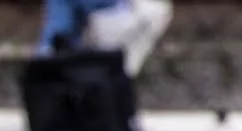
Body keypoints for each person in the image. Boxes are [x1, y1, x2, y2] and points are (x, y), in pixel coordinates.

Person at [38, 0, 173, 76]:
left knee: (156, 11)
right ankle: (114, 78)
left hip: (97, 22)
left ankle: (117, 79)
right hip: (94, 24)